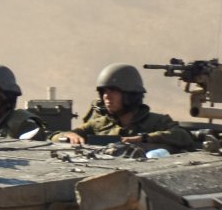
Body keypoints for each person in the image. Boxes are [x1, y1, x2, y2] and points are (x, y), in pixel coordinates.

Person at [56, 63, 197, 151]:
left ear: (130, 95)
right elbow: (54, 136)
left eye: (113, 91)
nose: (106, 96)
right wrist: (69, 135)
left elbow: (183, 136)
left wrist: (144, 138)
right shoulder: (99, 125)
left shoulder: (156, 122)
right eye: (104, 92)